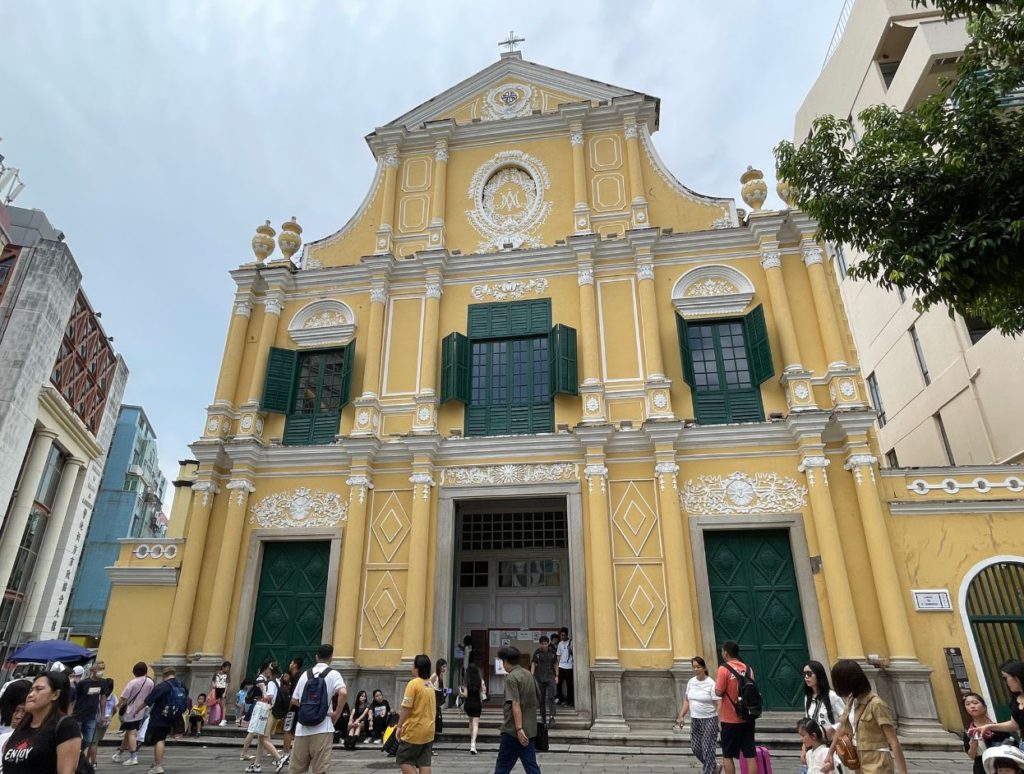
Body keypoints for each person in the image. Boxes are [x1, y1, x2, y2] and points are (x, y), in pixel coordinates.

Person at [823, 659, 908, 774]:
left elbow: (893, 741)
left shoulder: (876, 704)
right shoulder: (851, 700)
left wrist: (903, 772)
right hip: (859, 762)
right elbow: (842, 728)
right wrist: (830, 753)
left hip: (878, 762)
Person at [2, 671, 82, 774]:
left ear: (55, 694)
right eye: (31, 690)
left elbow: (66, 771)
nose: (30, 695)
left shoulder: (66, 726)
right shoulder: (23, 725)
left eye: (38, 689)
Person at [288, 643, 346, 774]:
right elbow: (343, 693)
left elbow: (294, 699)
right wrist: (336, 713)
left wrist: (306, 708)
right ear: (331, 657)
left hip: (302, 729)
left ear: (316, 657)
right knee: (320, 770)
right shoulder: (333, 674)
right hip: (323, 727)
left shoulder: (305, 675)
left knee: (296, 770)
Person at [492, 646, 541, 774]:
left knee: (502, 767)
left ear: (506, 661)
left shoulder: (511, 678)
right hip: (529, 730)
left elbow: (515, 703)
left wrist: (519, 729)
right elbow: (538, 699)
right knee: (531, 767)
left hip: (513, 731)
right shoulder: (529, 674)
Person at [715, 640, 757, 774]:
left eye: (722, 651)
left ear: (726, 653)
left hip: (729, 719)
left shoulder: (723, 669)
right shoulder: (748, 669)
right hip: (748, 717)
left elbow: (718, 691)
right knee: (750, 755)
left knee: (727, 755)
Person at [674, 656, 720, 774]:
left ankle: (708, 771)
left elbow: (718, 703)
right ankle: (715, 766)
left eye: (698, 667)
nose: (695, 669)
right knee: (696, 748)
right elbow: (687, 700)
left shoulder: (711, 683)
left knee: (708, 748)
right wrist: (681, 716)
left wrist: (720, 720)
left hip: (709, 719)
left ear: (704, 668)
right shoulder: (691, 682)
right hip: (695, 719)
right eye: (694, 667)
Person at [394, 654, 436, 774]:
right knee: (424, 762)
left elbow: (406, 708)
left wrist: (399, 726)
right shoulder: (429, 684)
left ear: (417, 668)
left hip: (414, 730)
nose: (411, 667)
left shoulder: (413, 684)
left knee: (403, 759)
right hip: (429, 731)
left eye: (413, 665)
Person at [802, 659, 845, 772]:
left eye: (809, 674)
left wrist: (833, 728)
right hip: (814, 749)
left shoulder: (832, 696)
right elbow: (806, 727)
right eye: (804, 674)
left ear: (819, 674)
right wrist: (803, 749)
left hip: (831, 746)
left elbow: (846, 720)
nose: (806, 677)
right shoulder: (807, 698)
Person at [142, 666, 187, 774]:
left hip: (160, 716)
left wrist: (137, 710)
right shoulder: (181, 685)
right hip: (174, 717)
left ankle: (158, 766)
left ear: (164, 675)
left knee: (159, 740)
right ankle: (157, 762)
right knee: (162, 739)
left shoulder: (163, 686)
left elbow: (148, 700)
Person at [246, 663, 285, 774]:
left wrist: (261, 699)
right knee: (260, 738)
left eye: (268, 669)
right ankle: (256, 765)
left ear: (270, 670)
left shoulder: (271, 682)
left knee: (263, 738)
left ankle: (279, 758)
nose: (266, 671)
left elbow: (270, 696)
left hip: (269, 712)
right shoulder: (278, 681)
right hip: (275, 713)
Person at [113, 661, 154, 768]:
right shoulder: (150, 682)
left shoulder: (133, 682)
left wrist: (116, 706)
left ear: (134, 672)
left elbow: (124, 697)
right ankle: (119, 753)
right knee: (129, 732)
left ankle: (133, 757)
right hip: (142, 710)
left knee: (132, 733)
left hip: (130, 711)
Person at [965, 691, 1011, 774]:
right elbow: (972, 756)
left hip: (1000, 766)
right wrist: (973, 746)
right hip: (981, 767)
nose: (972, 706)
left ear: (984, 707)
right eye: (967, 704)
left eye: (975, 703)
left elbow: (1010, 746)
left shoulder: (998, 727)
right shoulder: (970, 731)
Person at [978, 660, 1024, 739]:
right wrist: (989, 727)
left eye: (1005, 678)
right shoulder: (1015, 701)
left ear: (1017, 676)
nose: (1006, 682)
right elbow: (1014, 725)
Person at [70, 661, 105, 755]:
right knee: (76, 737)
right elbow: (74, 699)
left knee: (88, 739)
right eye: (100, 669)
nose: (102, 671)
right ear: (92, 670)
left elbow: (103, 698)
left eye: (103, 669)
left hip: (92, 716)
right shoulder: (83, 683)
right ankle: (75, 754)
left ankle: (79, 752)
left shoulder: (102, 682)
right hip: (78, 715)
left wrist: (103, 714)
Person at [531, 637, 557, 727]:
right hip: (540, 677)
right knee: (541, 699)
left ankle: (552, 717)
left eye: (546, 643)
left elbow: (555, 663)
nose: (544, 645)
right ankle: (543, 717)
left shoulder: (552, 652)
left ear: (548, 643)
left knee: (551, 697)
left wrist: (557, 675)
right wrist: (532, 675)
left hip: (550, 677)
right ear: (540, 644)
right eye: (542, 644)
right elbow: (533, 663)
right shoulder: (537, 652)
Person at [281, 657, 304, 760]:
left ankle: (286, 754)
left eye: (291, 662)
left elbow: (294, 697)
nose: (290, 664)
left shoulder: (296, 678)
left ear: (295, 665)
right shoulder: (299, 676)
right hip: (298, 708)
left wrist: (288, 710)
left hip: (294, 708)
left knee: (287, 730)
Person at [462, 656, 484, 754]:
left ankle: (472, 740)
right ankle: (473, 744)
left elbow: (465, 694)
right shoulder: (480, 681)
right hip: (477, 703)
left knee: (470, 722)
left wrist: (460, 692)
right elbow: (482, 693)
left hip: (468, 704)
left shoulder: (466, 681)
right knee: (476, 724)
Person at [428, 659, 447, 758]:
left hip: (438, 701)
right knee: (434, 722)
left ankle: (430, 746)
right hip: (434, 701)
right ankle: (429, 747)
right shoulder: (435, 675)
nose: (444, 669)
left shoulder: (441, 676)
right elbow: (427, 684)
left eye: (445, 667)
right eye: (443, 666)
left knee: (437, 723)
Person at [555, 627, 573, 707]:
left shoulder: (571, 642)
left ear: (567, 635)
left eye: (564, 635)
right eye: (561, 635)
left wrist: (570, 650)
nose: (563, 637)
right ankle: (560, 699)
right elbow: (558, 656)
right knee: (559, 684)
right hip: (561, 667)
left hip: (569, 667)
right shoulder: (560, 644)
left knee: (569, 685)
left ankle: (570, 700)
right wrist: (557, 667)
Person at [211, 661, 231, 726]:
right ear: (223, 667)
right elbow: (213, 680)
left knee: (223, 705)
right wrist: (213, 685)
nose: (228, 669)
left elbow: (227, 684)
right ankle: (216, 718)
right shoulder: (216, 673)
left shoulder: (227, 675)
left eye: (229, 668)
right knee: (216, 704)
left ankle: (223, 719)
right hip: (217, 689)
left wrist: (225, 692)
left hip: (222, 689)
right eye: (227, 667)